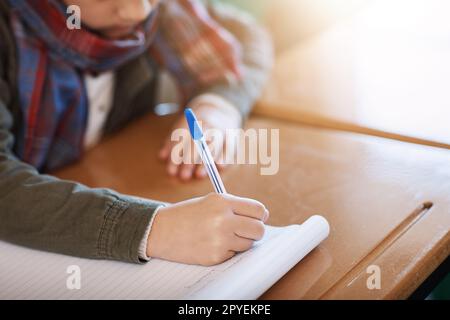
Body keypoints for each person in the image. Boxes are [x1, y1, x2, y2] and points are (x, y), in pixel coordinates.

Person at [0, 0, 273, 266]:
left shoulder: (164, 9)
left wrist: (219, 105)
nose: (138, 12)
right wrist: (152, 229)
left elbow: (247, 35)